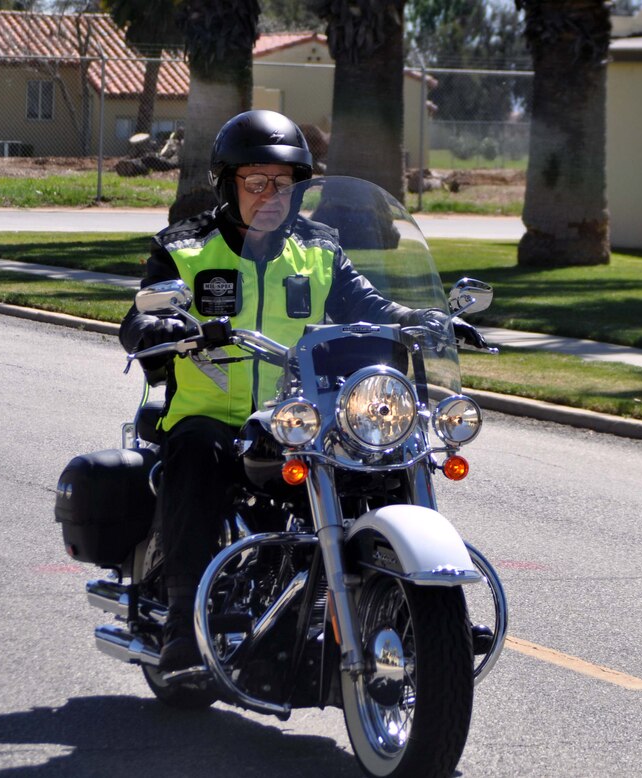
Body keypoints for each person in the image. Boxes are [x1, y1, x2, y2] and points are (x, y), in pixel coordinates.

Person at [119, 109, 488, 671]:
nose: (271, 194)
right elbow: (140, 314)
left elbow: (367, 305)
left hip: (299, 417)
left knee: (383, 463)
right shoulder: (186, 248)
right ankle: (180, 623)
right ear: (227, 183)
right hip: (214, 417)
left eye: (284, 182)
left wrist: (424, 318)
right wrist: (157, 326)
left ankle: (429, 611)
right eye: (256, 181)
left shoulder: (317, 249)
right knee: (194, 455)